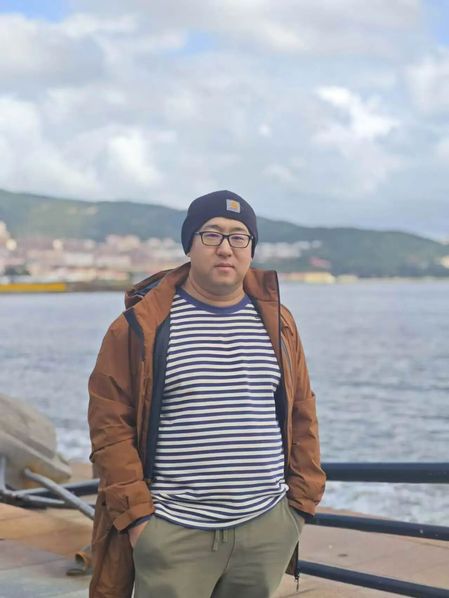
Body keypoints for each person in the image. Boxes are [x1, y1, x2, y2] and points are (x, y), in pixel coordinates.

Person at [87, 190, 326, 598]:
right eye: (211, 234)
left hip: (265, 529)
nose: (225, 248)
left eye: (239, 236)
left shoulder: (279, 323)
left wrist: (299, 507)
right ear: (189, 245)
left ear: (251, 249)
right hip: (173, 531)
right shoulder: (140, 327)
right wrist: (140, 522)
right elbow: (110, 427)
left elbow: (302, 412)